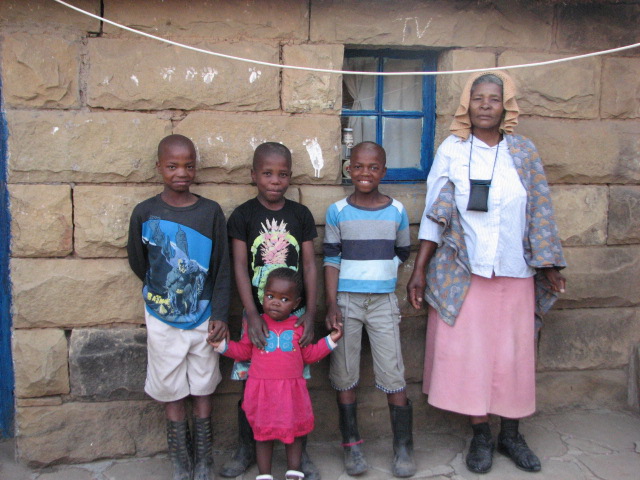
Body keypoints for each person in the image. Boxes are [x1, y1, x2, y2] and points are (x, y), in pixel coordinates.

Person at [406, 71, 567, 474]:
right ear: (468, 103)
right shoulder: (453, 150)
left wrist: (549, 263)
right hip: (467, 270)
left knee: (513, 355)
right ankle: (480, 434)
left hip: (515, 269)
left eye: (494, 99)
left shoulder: (523, 151)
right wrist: (419, 270)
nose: (485, 105)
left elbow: (540, 208)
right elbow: (435, 213)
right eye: (478, 98)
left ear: (505, 106)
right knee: (471, 356)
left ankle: (511, 434)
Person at [127, 134, 230, 480]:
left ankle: (204, 459)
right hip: (162, 316)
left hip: (204, 317)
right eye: (172, 166)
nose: (181, 173)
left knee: (203, 386)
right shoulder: (145, 212)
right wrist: (161, 291)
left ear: (196, 168)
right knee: (171, 388)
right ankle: (180, 461)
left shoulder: (210, 212)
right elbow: (138, 261)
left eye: (188, 166)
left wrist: (219, 313)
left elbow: (221, 267)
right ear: (159, 167)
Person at [222, 142, 321, 479]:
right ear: (254, 175)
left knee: (297, 387)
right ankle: (246, 448)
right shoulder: (243, 215)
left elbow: (310, 265)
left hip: (294, 320)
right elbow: (239, 266)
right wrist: (251, 314)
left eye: (282, 174)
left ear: (290, 177)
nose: (275, 180)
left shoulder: (300, 215)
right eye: (267, 173)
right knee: (250, 385)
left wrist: (310, 314)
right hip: (257, 319)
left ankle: (300, 455)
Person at [324, 141, 416, 478]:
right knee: (345, 373)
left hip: (383, 302)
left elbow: (403, 250)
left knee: (393, 373)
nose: (366, 173)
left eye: (373, 167)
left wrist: (383, 271)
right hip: (346, 301)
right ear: (349, 169)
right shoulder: (337, 211)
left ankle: (403, 448)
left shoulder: (397, 211)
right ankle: (352, 446)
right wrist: (331, 303)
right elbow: (331, 259)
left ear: (384, 171)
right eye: (359, 167)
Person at [209, 268, 343, 480]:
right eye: (270, 296)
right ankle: (264, 474)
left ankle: (294, 471)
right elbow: (244, 352)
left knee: (295, 431)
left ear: (296, 303)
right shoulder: (256, 324)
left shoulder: (299, 326)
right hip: (262, 392)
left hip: (291, 393)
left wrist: (331, 341)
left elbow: (309, 355)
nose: (275, 303)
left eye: (284, 299)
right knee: (263, 434)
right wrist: (222, 346)